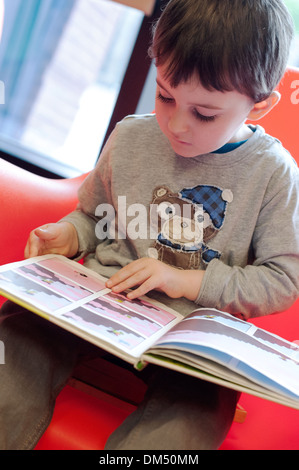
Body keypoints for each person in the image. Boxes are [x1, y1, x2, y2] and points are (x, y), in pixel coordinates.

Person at [1, 0, 298, 450]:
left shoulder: (274, 176)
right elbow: (93, 215)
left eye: (205, 113)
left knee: (186, 428)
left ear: (259, 106)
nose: (176, 124)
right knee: (12, 345)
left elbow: (282, 280)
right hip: (94, 306)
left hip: (190, 346)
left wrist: (183, 280)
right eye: (164, 95)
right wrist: (69, 234)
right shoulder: (131, 136)